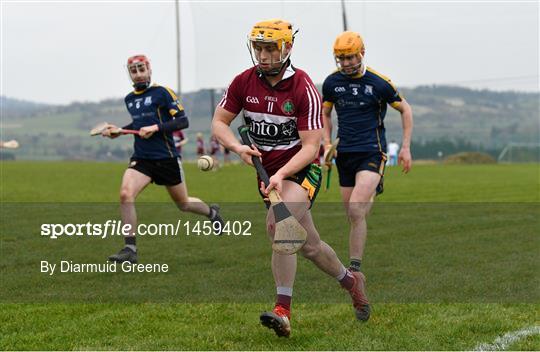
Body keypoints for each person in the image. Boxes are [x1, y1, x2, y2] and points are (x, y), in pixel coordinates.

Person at [212, 19, 369, 338]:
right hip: (268, 173)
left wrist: (282, 173)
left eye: (271, 48)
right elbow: (219, 122)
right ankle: (351, 283)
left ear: (287, 48)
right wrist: (236, 146)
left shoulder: (303, 88)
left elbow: (311, 146)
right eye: (259, 48)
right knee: (310, 247)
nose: (264, 55)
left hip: (300, 168)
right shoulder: (244, 82)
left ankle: (283, 310)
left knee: (279, 227)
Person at [101, 54, 224, 264]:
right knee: (125, 194)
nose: (138, 74)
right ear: (129, 74)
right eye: (134, 71)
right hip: (142, 158)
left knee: (183, 204)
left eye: (142, 69)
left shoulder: (162, 93)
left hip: (166, 157)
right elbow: (139, 124)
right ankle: (130, 249)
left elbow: (183, 121)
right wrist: (120, 130)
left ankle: (212, 212)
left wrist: (156, 128)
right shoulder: (130, 99)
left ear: (149, 69)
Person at [322, 31, 413, 307]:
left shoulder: (379, 83)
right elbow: (325, 114)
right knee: (351, 212)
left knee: (356, 209)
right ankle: (373, 191)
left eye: (350, 57)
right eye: (341, 59)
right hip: (345, 155)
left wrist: (406, 147)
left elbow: (405, 110)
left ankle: (355, 269)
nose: (346, 63)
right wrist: (327, 143)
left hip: (373, 152)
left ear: (362, 53)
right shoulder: (331, 83)